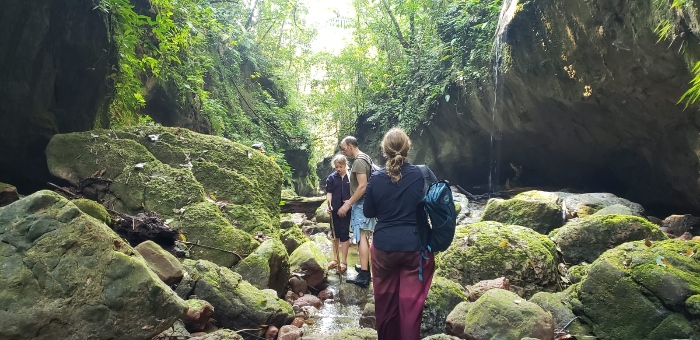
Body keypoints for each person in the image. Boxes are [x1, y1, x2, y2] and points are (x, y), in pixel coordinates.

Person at [363, 127, 437, 340]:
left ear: (384, 150)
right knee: (410, 308)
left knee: (385, 305)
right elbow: (436, 205)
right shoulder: (424, 173)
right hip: (416, 248)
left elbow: (369, 212)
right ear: (407, 148)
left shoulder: (375, 179)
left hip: (384, 247)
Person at [337, 136, 376, 287]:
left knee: (362, 237)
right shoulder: (366, 157)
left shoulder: (359, 161)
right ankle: (364, 266)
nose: (343, 150)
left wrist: (348, 205)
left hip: (362, 204)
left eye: (344, 147)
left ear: (350, 145)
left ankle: (364, 275)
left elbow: (362, 186)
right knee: (364, 236)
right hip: (366, 203)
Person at [325, 154, 351, 274]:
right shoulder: (331, 178)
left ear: (345, 165)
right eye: (336, 167)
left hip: (347, 210)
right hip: (334, 210)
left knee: (345, 234)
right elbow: (329, 192)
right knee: (335, 235)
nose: (338, 169)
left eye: (340, 166)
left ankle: (344, 261)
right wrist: (329, 204)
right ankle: (335, 259)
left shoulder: (351, 178)